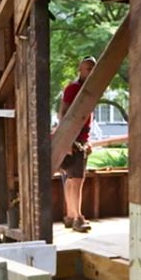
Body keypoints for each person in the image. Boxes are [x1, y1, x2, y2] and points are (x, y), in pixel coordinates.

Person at [59, 56, 96, 231]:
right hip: (73, 139)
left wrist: (87, 140)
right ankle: (77, 217)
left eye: (93, 69)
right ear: (80, 70)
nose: (91, 72)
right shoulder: (73, 89)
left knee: (71, 178)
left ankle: (71, 215)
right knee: (77, 180)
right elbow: (64, 114)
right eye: (87, 69)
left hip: (81, 139)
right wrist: (68, 140)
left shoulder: (90, 90)